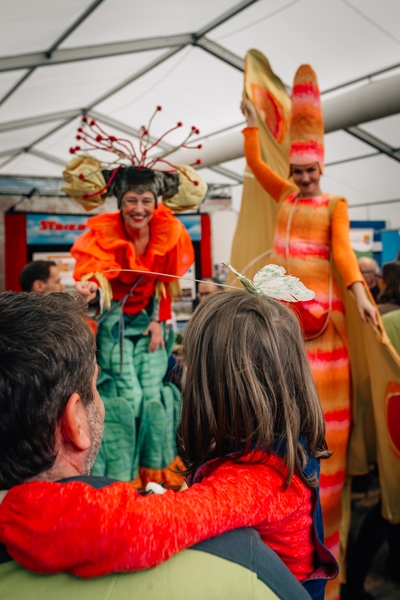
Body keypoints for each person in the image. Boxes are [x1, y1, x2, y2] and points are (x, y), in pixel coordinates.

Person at [0, 289, 338, 599]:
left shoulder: (257, 482)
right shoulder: (275, 455)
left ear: (212, 387)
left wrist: (24, 511)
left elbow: (142, 528)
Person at [241, 65, 377, 600]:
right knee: (278, 444)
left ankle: (330, 577)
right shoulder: (283, 197)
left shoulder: (333, 206)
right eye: (296, 171)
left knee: (326, 453)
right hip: (281, 343)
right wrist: (250, 121)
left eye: (309, 171)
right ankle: (283, 557)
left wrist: (360, 292)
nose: (301, 179)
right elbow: (256, 163)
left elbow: (343, 253)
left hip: (324, 349)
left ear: (322, 166)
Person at [61, 114, 207, 485]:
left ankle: (156, 473)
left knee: (154, 395)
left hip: (150, 325)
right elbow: (95, 278)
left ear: (156, 203)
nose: (139, 208)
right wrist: (91, 291)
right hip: (116, 326)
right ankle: (121, 478)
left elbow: (165, 284)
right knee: (128, 398)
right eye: (131, 201)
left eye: (145, 200)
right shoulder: (104, 235)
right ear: (121, 203)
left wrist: (159, 322)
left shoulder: (167, 232)